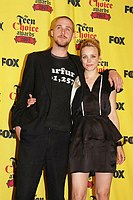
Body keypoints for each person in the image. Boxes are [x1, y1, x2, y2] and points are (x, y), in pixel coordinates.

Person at [11, 16, 123, 200]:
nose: (63, 32)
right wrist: (19, 127)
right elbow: (22, 97)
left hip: (63, 138)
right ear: (52, 32)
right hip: (34, 135)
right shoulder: (35, 59)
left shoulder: (78, 63)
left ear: (72, 36)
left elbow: (93, 69)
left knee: (57, 195)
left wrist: (112, 70)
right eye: (59, 28)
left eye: (68, 29)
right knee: (23, 193)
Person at [69, 39, 125, 200]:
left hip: (105, 140)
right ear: (80, 59)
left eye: (92, 56)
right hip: (80, 139)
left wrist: (118, 143)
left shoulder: (109, 82)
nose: (88, 61)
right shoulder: (75, 83)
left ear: (99, 57)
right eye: (84, 57)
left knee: (103, 194)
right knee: (77, 194)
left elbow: (113, 114)